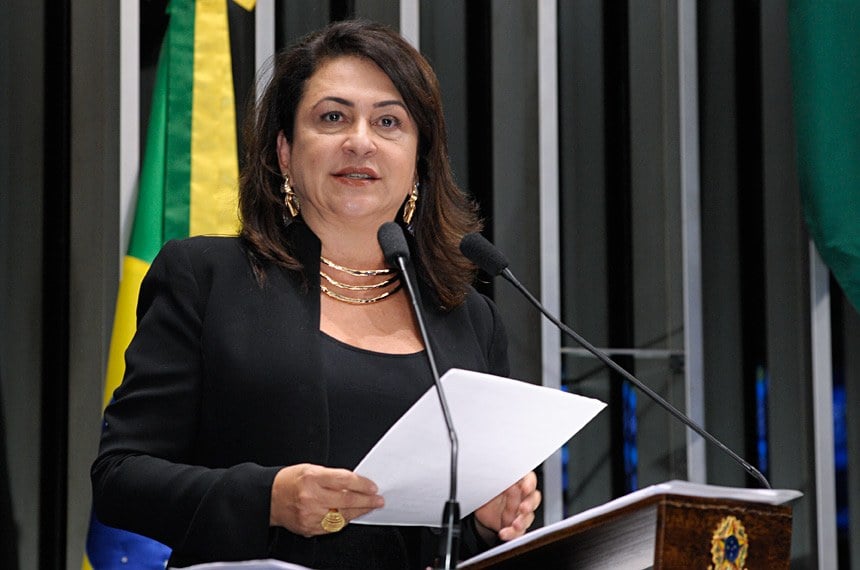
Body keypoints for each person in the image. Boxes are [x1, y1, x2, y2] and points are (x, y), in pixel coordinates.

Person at [91, 19, 540, 569]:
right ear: (284, 151)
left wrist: (488, 518)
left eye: (388, 121)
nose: (360, 140)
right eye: (332, 117)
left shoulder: (469, 319)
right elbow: (121, 476)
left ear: (418, 160)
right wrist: (268, 499)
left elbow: (457, 538)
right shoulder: (207, 277)